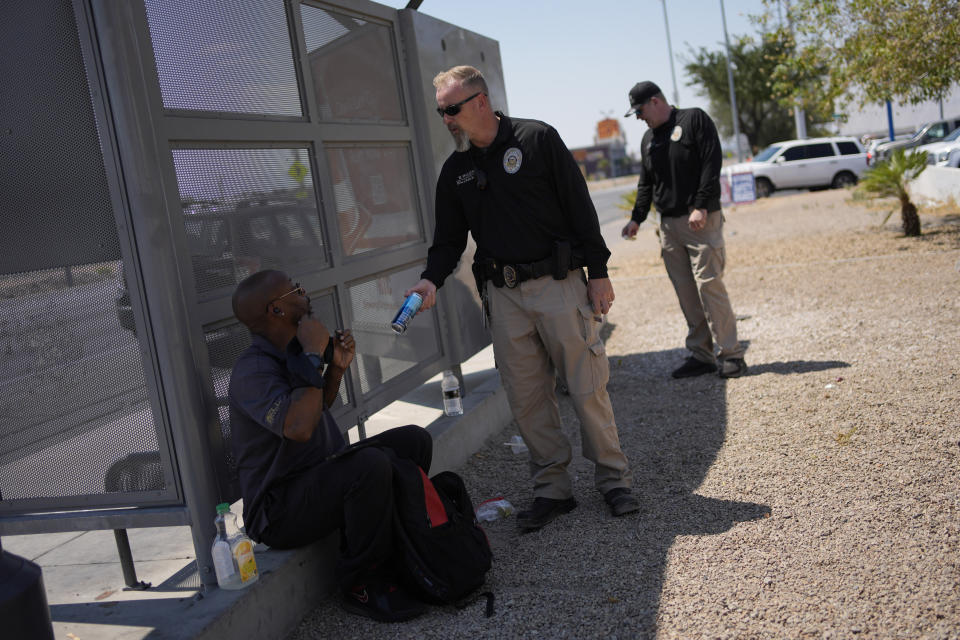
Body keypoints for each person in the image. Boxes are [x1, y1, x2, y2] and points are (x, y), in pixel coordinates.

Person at [404, 65, 639, 533]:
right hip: (503, 296)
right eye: (440, 113)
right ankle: (553, 489)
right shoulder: (457, 170)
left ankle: (614, 480)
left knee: (585, 385)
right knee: (527, 397)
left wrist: (599, 273)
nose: (446, 120)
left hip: (559, 284)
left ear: (479, 103)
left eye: (451, 110)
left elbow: (580, 209)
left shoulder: (536, 139)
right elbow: (448, 241)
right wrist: (430, 280)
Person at [228, 269, 433, 622]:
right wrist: (311, 355)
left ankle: (403, 551)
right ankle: (361, 583)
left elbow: (314, 409)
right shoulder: (253, 371)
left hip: (316, 474)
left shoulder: (291, 350)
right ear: (276, 309)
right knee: (369, 466)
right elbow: (298, 428)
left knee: (413, 441)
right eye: (297, 289)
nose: (306, 295)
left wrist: (335, 370)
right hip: (278, 508)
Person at [621, 81, 748, 379]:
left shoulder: (694, 120)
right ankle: (701, 355)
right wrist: (636, 218)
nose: (639, 118)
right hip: (669, 226)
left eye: (640, 111)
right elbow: (647, 183)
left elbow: (710, 162)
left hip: (700, 220)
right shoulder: (648, 139)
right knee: (685, 292)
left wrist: (701, 205)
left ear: (655, 101)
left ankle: (731, 354)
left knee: (709, 285)